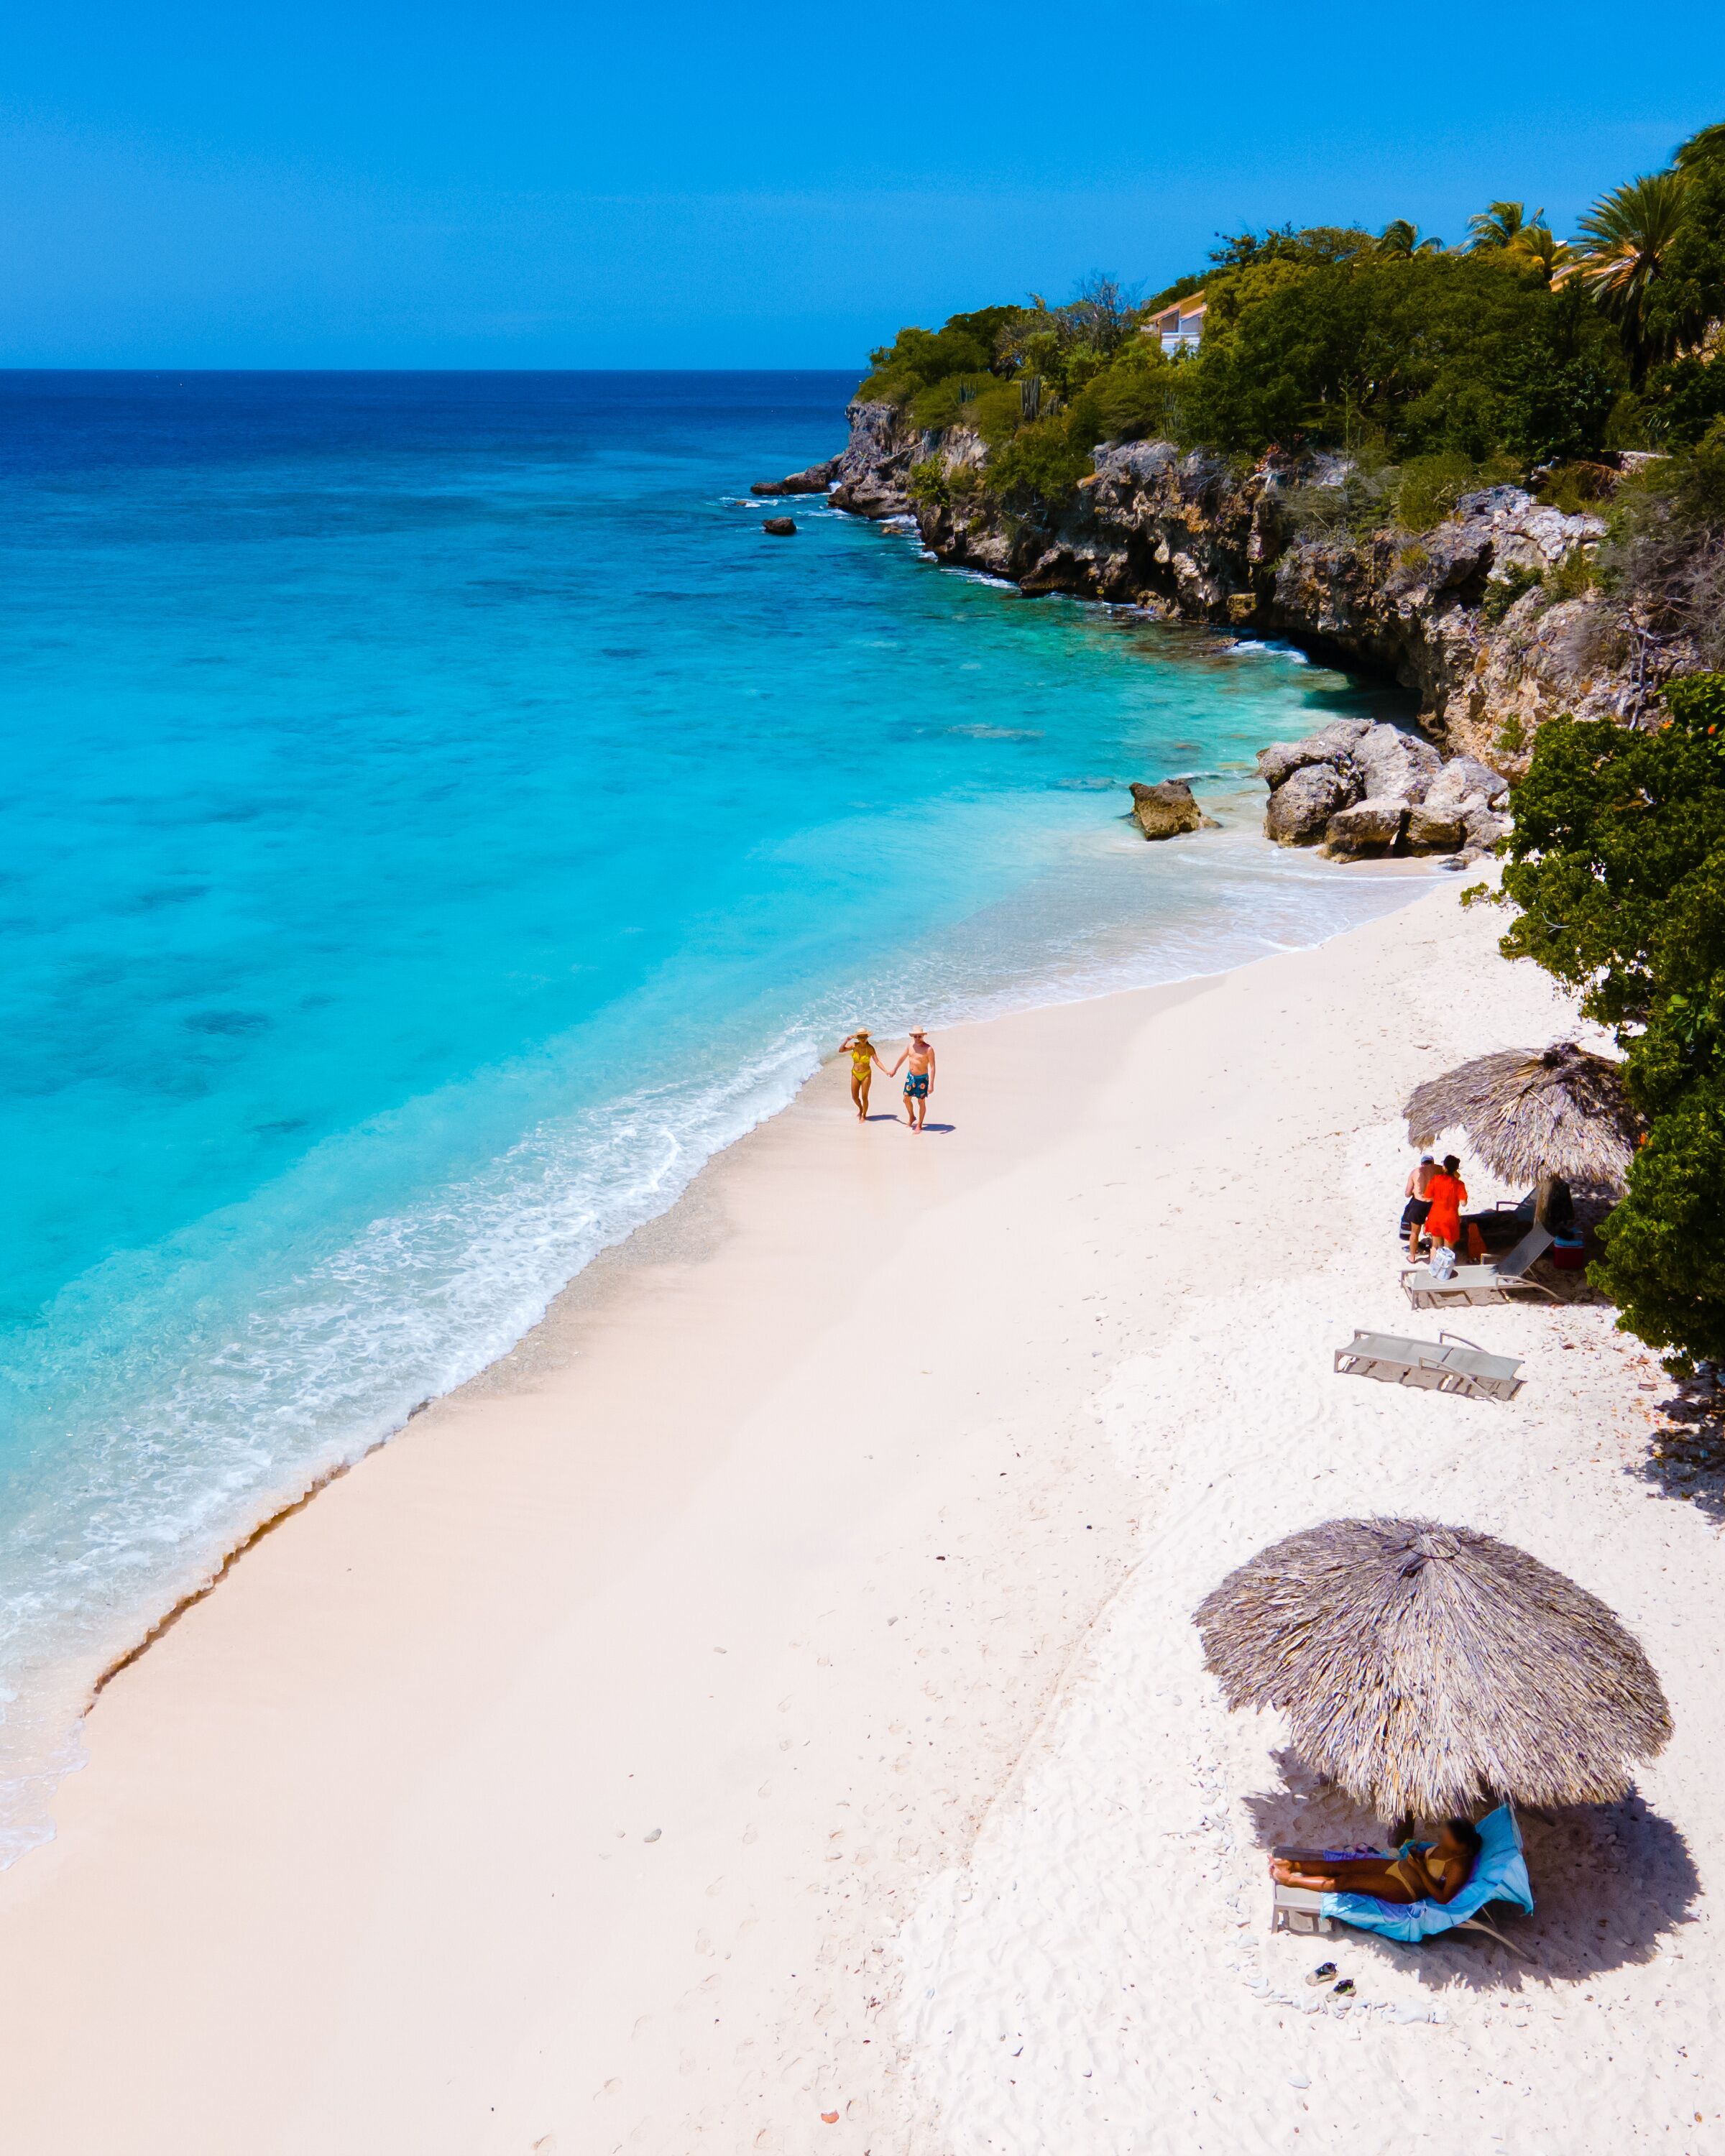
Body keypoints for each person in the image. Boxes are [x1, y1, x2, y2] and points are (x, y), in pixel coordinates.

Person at [1269, 1818, 1482, 1906]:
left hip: (1405, 1888)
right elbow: (1429, 1857)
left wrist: (1421, 1870)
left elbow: (1443, 1898)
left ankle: (1290, 1881)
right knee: (1341, 1866)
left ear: (1460, 1846)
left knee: (1346, 1881)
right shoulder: (1450, 1847)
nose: (1442, 1839)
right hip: (1399, 1867)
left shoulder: (1458, 1866)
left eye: (1447, 1838)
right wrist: (1417, 1856)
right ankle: (1291, 1865)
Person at [1425, 1153, 1487, 1263]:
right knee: (1449, 1248)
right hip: (1450, 1218)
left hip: (1435, 1216)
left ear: (1444, 1167)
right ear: (1456, 1169)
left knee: (1435, 1245)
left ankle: (1433, 1268)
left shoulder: (1436, 1180)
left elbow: (1428, 1198)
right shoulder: (1458, 1184)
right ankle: (1445, 1271)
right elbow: (1463, 1203)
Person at [890, 1028, 937, 1131]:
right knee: (906, 1099)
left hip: (922, 1080)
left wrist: (931, 1084)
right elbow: (902, 1058)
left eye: (920, 1036)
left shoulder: (928, 1049)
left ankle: (919, 1124)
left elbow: (933, 1067)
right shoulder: (910, 1046)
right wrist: (894, 1070)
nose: (917, 1038)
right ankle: (912, 1116)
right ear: (913, 1037)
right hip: (911, 1077)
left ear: (923, 1036)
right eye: (915, 1036)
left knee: (921, 1102)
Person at [837, 1029, 888, 1122]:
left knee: (864, 1097)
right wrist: (846, 1040)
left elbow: (877, 1061)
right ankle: (861, 1109)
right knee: (855, 1097)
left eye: (865, 1036)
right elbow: (841, 1050)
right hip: (855, 1074)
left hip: (866, 1075)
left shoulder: (870, 1048)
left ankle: (864, 1115)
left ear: (867, 1037)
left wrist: (886, 1071)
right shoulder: (854, 1046)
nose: (863, 1039)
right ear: (858, 1038)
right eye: (861, 1037)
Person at [1402, 1154, 1437, 1262]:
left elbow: (1407, 1194)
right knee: (1435, 1233)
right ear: (1433, 1163)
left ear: (1422, 1163)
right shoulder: (1438, 1172)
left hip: (1419, 1204)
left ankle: (1412, 1257)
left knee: (1414, 1233)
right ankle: (1434, 1256)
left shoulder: (1415, 1172)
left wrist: (1414, 1191)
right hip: (1433, 1204)